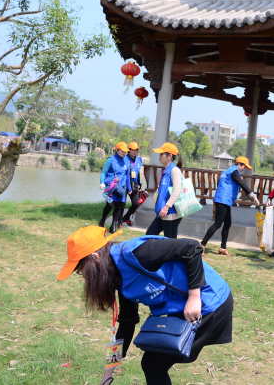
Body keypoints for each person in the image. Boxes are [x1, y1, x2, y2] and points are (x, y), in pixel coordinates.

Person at [57, 226, 233, 385]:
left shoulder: (138, 253)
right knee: (153, 364)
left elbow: (191, 247)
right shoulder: (119, 277)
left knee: (153, 364)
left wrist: (194, 297)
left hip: (209, 302)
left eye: (80, 269)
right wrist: (109, 372)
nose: (83, 275)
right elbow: (126, 324)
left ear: (94, 258)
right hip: (184, 308)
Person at [201, 156, 259, 255]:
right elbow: (242, 184)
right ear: (240, 164)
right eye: (244, 166)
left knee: (227, 223)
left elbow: (223, 184)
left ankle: (223, 248)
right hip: (223, 200)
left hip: (224, 200)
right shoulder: (234, 172)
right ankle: (202, 245)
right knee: (218, 223)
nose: (244, 169)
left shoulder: (227, 171)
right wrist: (253, 196)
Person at [146, 142, 183, 238]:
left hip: (170, 214)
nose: (159, 156)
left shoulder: (175, 170)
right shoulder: (165, 170)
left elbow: (177, 190)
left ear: (169, 156)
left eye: (161, 154)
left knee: (170, 242)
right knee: (149, 236)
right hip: (163, 213)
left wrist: (166, 207)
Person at [99, 142, 131, 232]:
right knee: (110, 205)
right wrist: (102, 182)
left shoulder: (126, 161)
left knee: (119, 206)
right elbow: (103, 172)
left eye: (125, 151)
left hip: (122, 188)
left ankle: (113, 225)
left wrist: (129, 188)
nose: (124, 153)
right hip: (111, 187)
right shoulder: (111, 160)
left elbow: (127, 176)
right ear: (117, 150)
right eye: (122, 151)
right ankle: (102, 220)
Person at [122, 141, 146, 226]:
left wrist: (139, 183)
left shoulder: (139, 159)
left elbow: (138, 173)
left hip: (134, 185)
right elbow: (125, 174)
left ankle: (125, 218)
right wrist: (128, 188)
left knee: (136, 203)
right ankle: (117, 221)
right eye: (133, 150)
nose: (135, 151)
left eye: (137, 150)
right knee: (121, 204)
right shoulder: (125, 159)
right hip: (124, 184)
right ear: (129, 150)